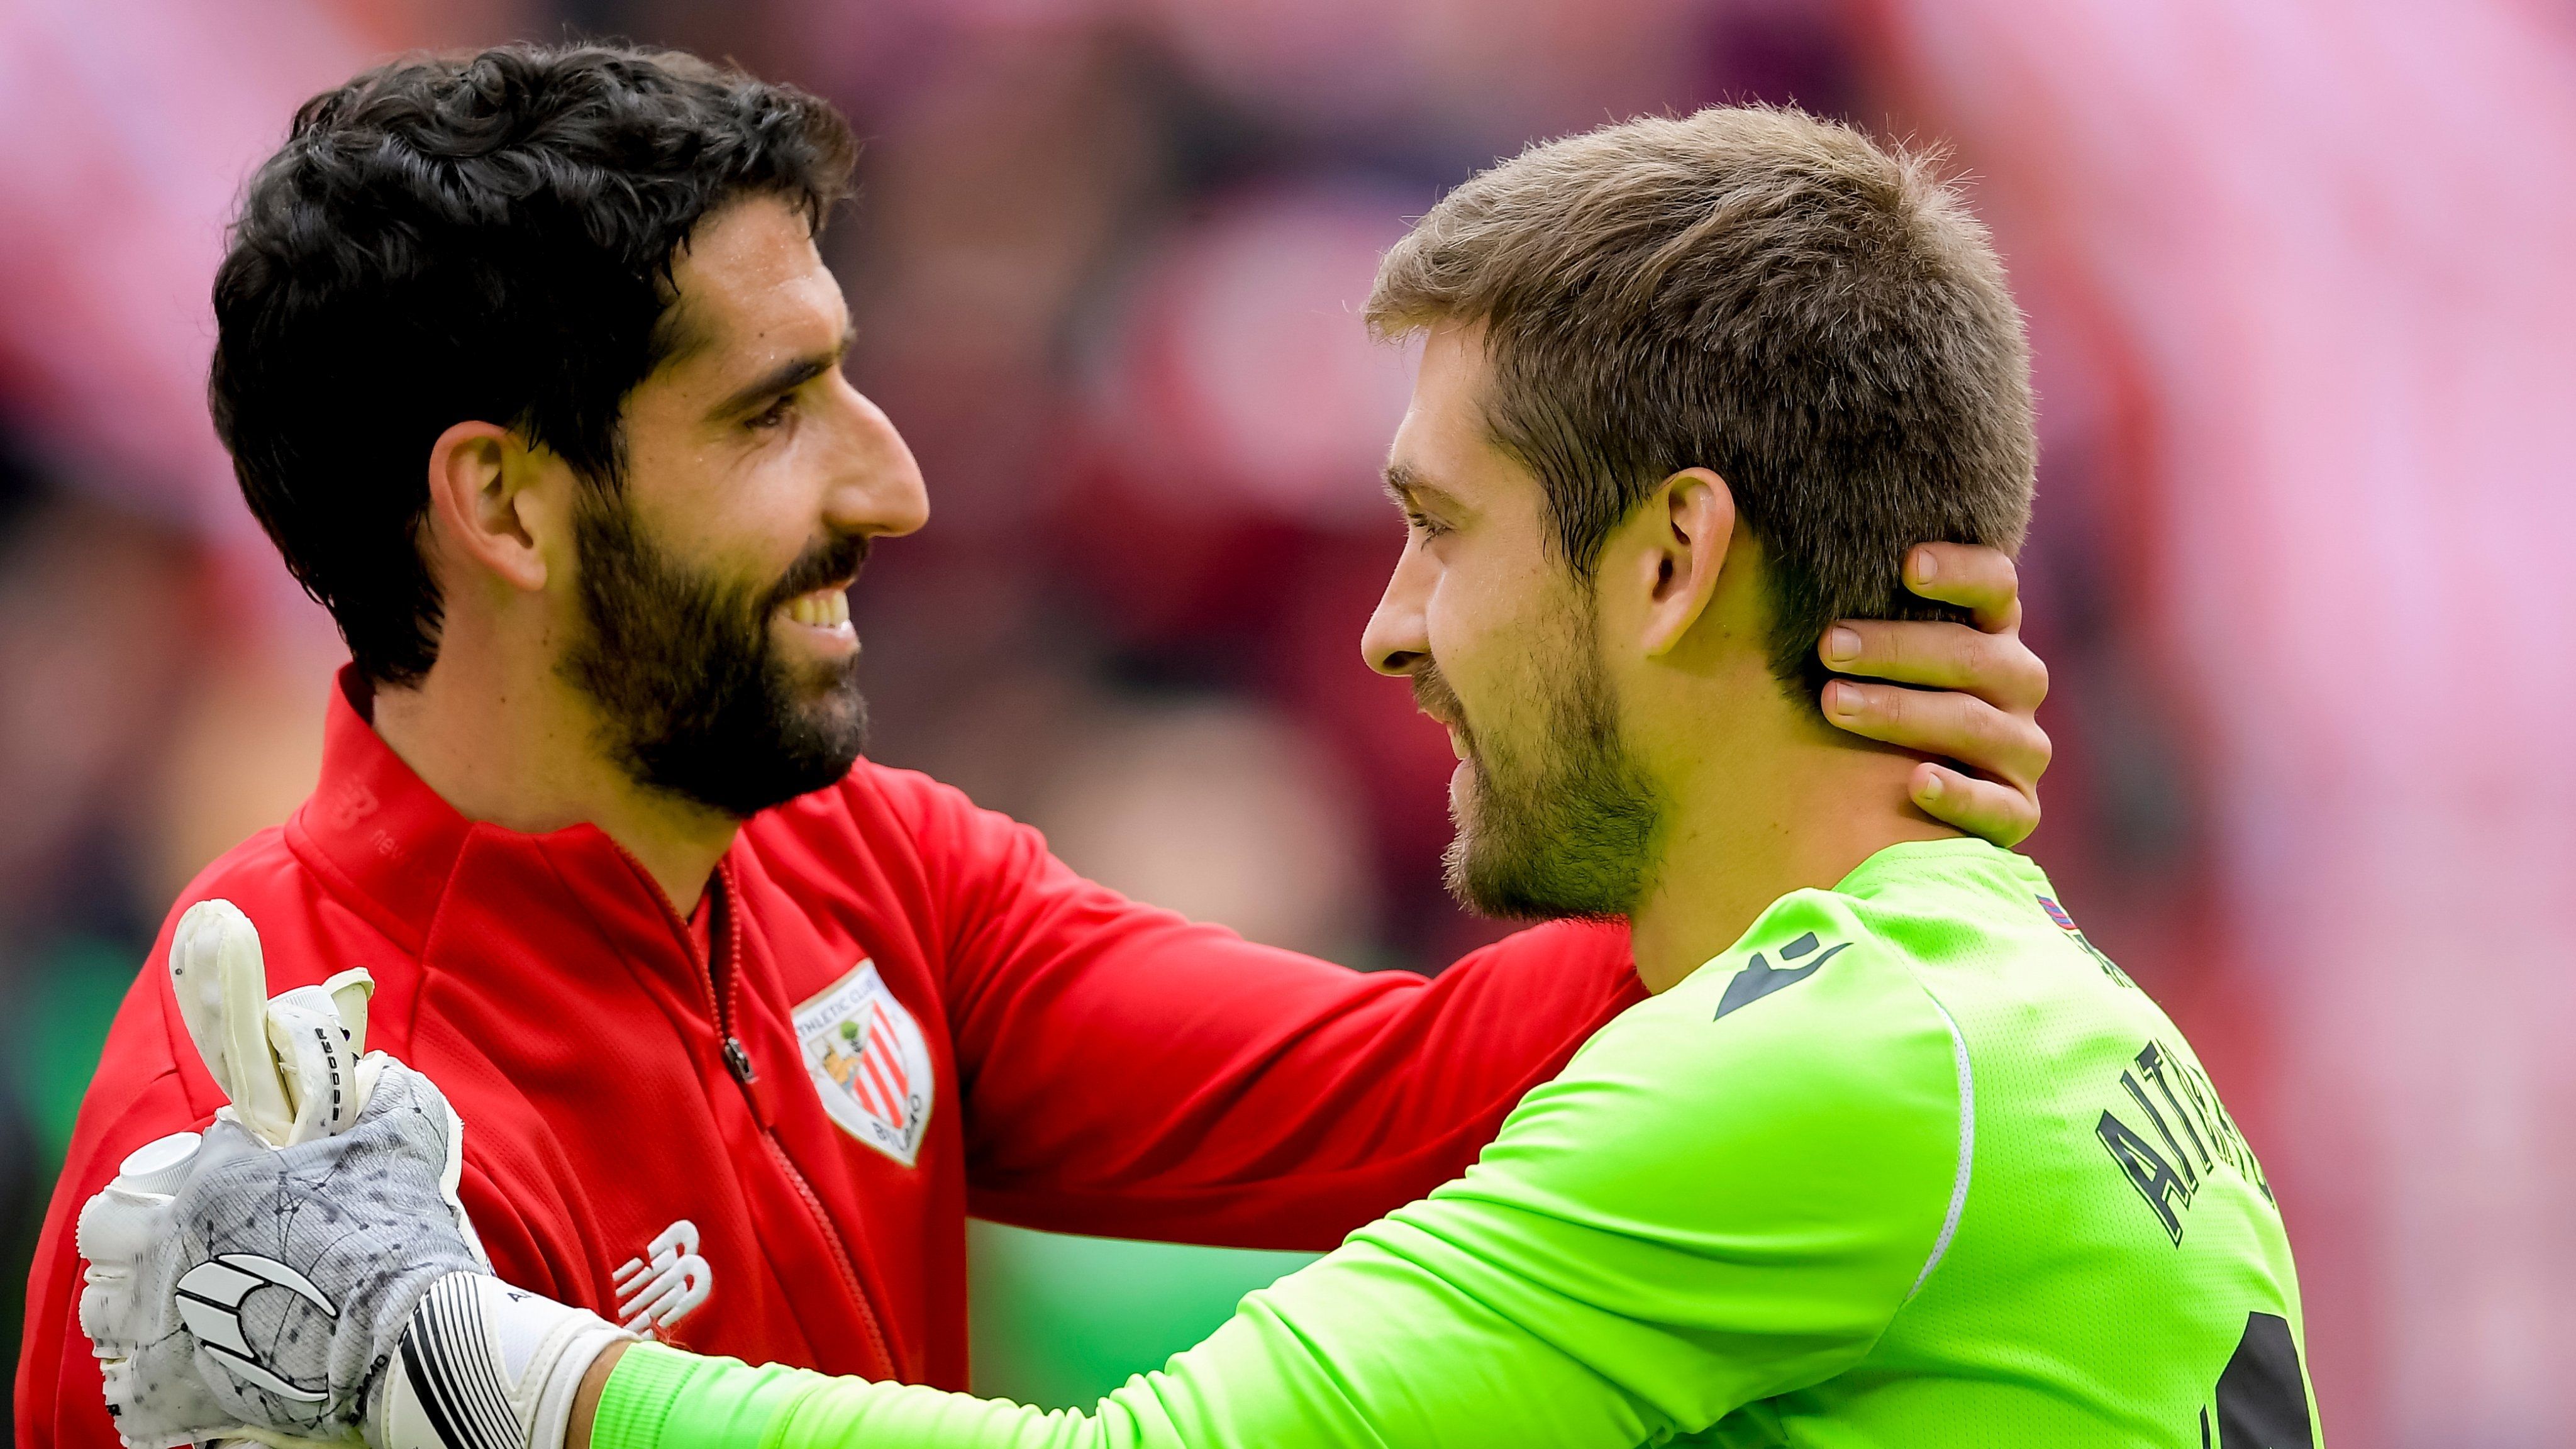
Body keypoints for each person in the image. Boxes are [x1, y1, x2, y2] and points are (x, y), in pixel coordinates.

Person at [80, 105, 2312, 1449]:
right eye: (774, 413)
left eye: (852, 380)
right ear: (503, 502)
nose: (897, 484)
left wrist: (1794, 791)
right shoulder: (262, 1122)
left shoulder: (879, 881)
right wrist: (1804, 803)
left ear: (1671, 561)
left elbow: (1402, 1101)